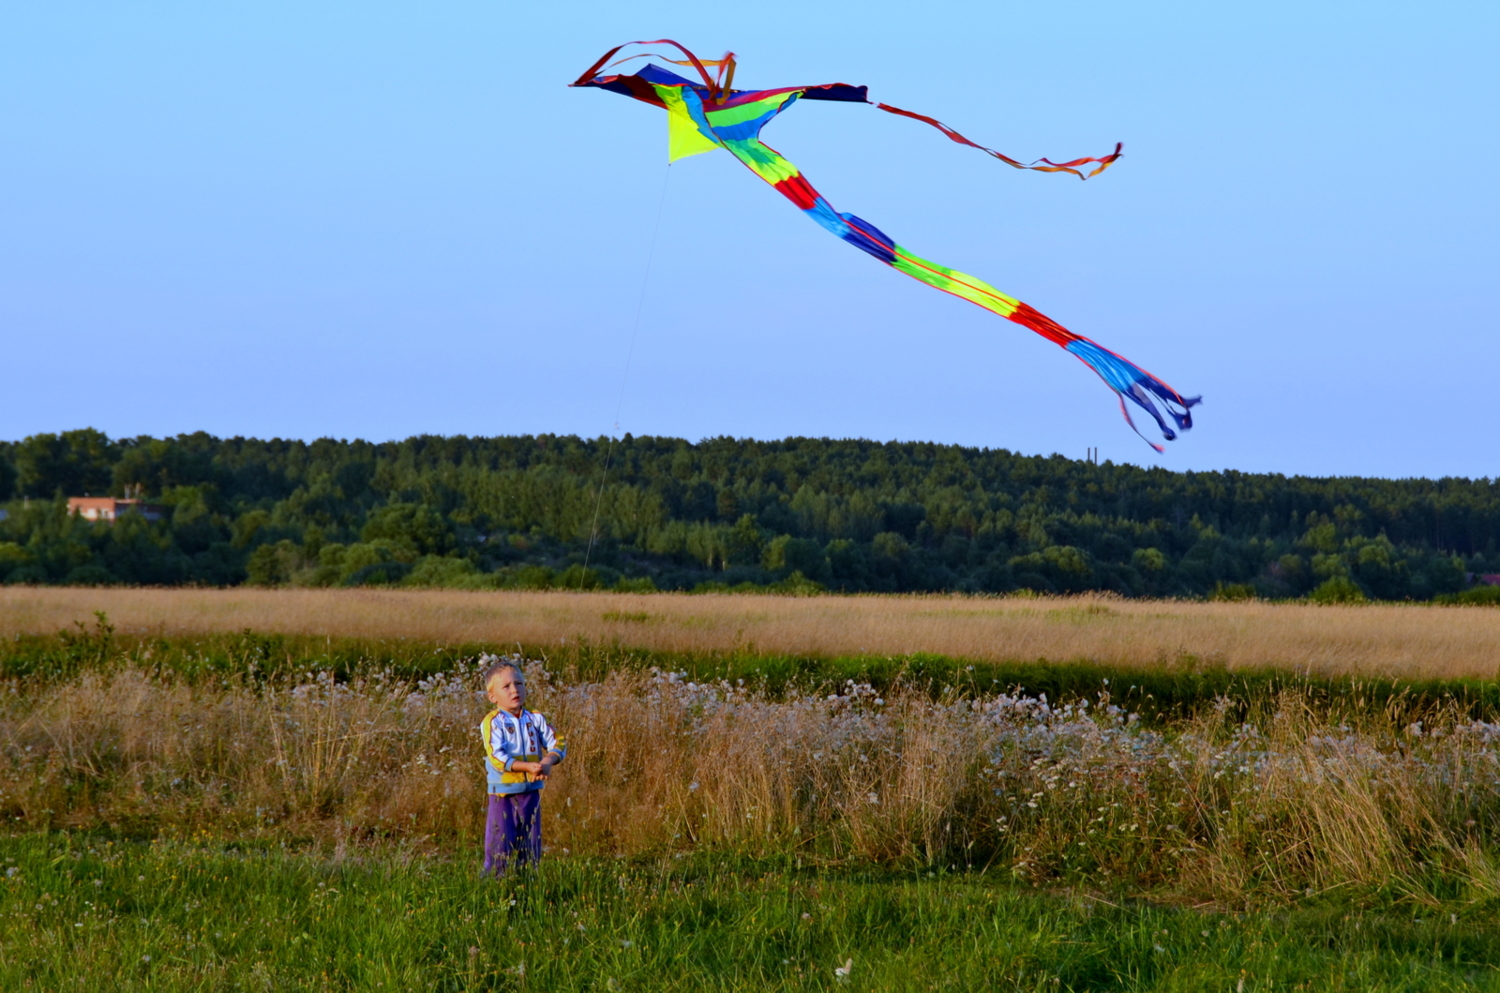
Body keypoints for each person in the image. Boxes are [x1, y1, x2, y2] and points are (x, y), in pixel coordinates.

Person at [478, 660, 565, 876]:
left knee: (531, 845)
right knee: (500, 845)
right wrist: (527, 766)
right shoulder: (493, 722)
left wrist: (547, 762)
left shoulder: (535, 718)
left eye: (519, 683)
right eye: (506, 687)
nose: (515, 690)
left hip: (532, 792)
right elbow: (497, 756)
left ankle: (527, 884)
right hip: (503, 793)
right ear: (493, 696)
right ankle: (493, 886)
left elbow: (558, 741)